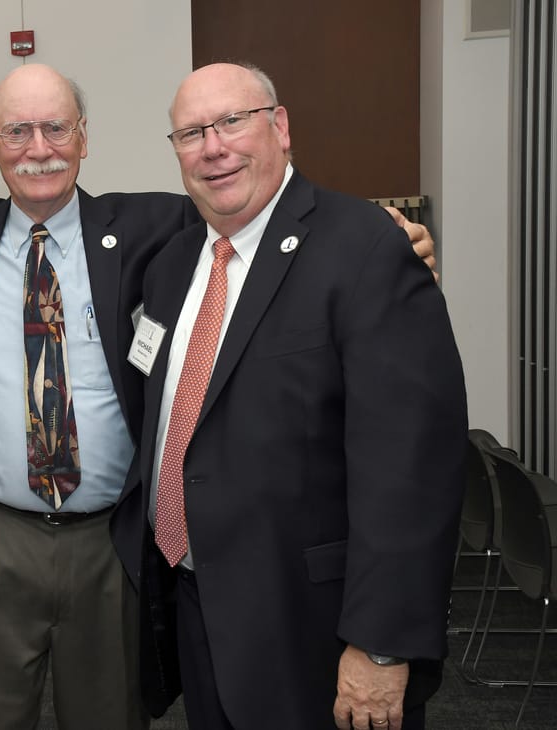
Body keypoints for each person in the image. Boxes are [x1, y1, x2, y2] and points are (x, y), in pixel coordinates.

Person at [0, 63, 437, 729]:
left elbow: (264, 209)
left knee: (113, 713)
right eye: (17, 131)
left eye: (56, 127)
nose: (39, 148)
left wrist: (384, 234)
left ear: (84, 137)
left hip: (112, 540)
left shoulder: (158, 228)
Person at [124, 62, 467, 730]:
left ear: (280, 127)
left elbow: (413, 467)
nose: (214, 146)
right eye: (192, 133)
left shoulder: (365, 248)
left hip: (316, 630)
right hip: (198, 606)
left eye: (232, 121)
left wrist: (381, 644)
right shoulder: (169, 267)